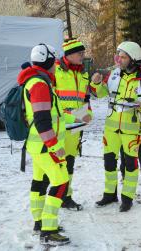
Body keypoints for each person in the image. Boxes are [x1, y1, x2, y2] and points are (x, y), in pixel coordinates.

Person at [90, 41, 141, 212]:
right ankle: (110, 194)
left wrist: (140, 105)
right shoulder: (114, 74)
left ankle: (127, 198)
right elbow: (100, 94)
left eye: (123, 57)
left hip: (132, 130)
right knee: (109, 163)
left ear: (133, 59)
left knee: (131, 164)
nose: (119, 60)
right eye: (118, 56)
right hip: (111, 129)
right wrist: (96, 84)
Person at [17, 44, 70, 245]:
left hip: (36, 144)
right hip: (45, 145)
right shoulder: (40, 84)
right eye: (54, 62)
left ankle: (39, 222)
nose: (56, 66)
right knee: (61, 181)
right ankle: (49, 230)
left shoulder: (33, 80)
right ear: (47, 61)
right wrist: (55, 146)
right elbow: (42, 121)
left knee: (39, 182)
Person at [54, 38, 93, 211]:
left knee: (69, 162)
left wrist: (87, 113)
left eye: (83, 53)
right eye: (80, 53)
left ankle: (66, 197)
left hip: (76, 125)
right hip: (59, 125)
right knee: (57, 164)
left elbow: (85, 98)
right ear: (69, 55)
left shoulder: (83, 73)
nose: (82, 56)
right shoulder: (55, 71)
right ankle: (54, 197)